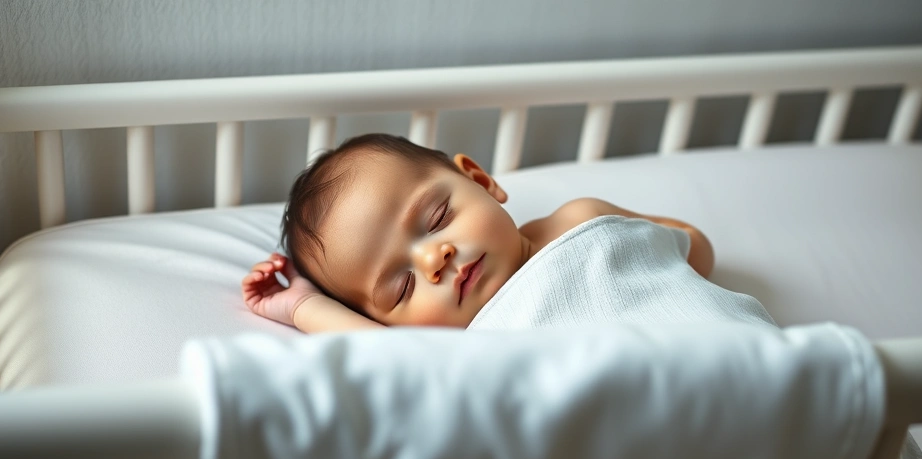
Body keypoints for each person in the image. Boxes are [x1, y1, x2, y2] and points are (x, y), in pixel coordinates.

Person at [242, 133, 714, 332]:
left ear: (481, 181)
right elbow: (381, 358)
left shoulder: (581, 218)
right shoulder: (466, 345)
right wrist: (301, 305)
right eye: (402, 287)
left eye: (436, 220)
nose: (435, 260)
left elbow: (691, 251)